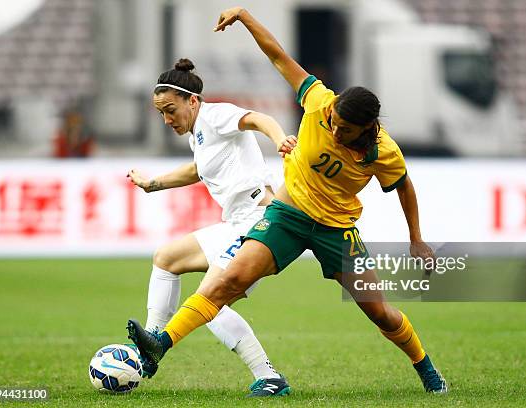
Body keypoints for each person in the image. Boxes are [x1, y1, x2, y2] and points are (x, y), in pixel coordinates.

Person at [127, 8, 448, 395]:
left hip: (336, 229)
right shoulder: (319, 102)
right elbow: (278, 55)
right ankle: (160, 343)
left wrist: (416, 238)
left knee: (378, 311)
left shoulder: (384, 152)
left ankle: (425, 367)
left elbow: (404, 187)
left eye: (344, 129)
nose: (334, 128)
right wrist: (245, 17)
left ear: (366, 129)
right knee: (227, 279)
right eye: (332, 121)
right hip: (285, 214)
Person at [127, 57, 296, 397]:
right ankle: (151, 347)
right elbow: (197, 170)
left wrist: (280, 140)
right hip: (235, 222)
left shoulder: (215, 116)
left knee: (210, 300)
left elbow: (258, 119)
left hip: (258, 222)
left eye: (170, 110)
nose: (166, 119)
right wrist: (153, 183)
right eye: (161, 112)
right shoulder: (199, 136)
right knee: (166, 258)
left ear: (193, 100)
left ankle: (269, 377)